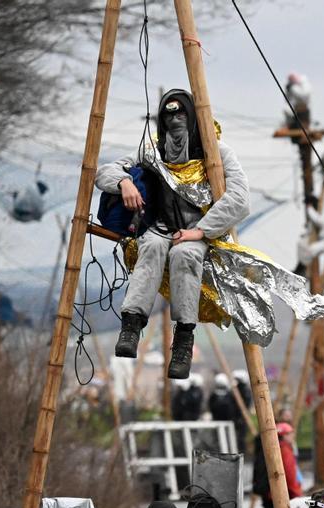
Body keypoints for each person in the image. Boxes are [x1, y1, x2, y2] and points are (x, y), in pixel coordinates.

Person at [102, 88, 250, 379]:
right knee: (152, 247)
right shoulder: (152, 150)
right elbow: (105, 171)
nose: (175, 122)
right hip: (159, 227)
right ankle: (131, 325)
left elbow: (240, 199)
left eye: (181, 114)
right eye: (169, 116)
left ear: (192, 116)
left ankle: (184, 339)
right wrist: (123, 182)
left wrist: (200, 231)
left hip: (198, 232)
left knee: (184, 255)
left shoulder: (215, 152)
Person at [262, 422, 304, 508]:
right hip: (282, 494)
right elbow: (290, 474)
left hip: (271, 493)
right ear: (284, 435)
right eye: (290, 433)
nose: (293, 435)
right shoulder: (285, 450)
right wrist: (297, 493)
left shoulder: (273, 448)